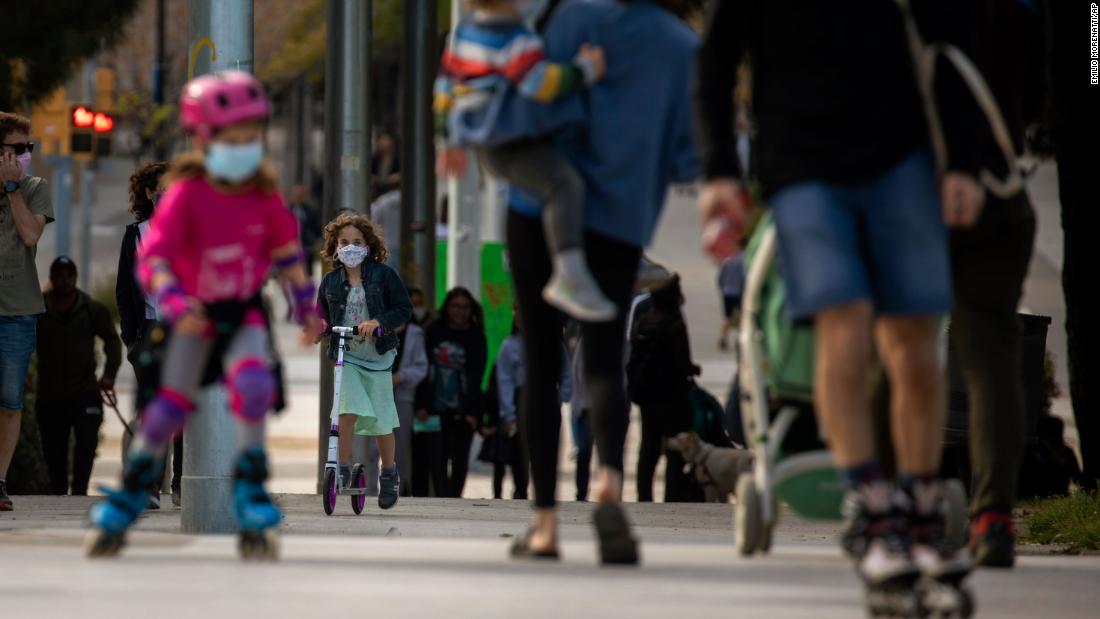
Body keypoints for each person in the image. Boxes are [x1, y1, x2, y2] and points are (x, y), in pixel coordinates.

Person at [695, 0, 982, 611]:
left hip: (900, 160)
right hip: (803, 168)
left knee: (913, 338)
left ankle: (921, 504)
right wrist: (720, 169)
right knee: (843, 324)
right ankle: (873, 509)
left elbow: (951, 39)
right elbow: (716, 60)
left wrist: (962, 158)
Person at [87, 71, 321, 558]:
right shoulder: (186, 196)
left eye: (250, 137)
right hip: (191, 313)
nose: (243, 147)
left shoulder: (264, 194)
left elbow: (289, 256)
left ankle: (251, 488)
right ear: (201, 138)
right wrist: (172, 300)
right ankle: (133, 490)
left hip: (242, 311)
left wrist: (306, 307)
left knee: (253, 385)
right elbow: (154, 262)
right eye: (231, 138)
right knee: (169, 407)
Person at [501, 0, 698, 563]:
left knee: (541, 362)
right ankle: (609, 480)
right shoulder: (681, 44)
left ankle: (544, 525)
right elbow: (688, 160)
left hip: (538, 207)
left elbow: (525, 104)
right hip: (620, 215)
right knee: (605, 358)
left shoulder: (562, 19)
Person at [435, 0, 617, 322]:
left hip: (484, 143)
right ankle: (570, 272)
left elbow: (446, 88)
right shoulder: (515, 38)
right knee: (565, 183)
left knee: (552, 188)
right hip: (510, 143)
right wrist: (585, 69)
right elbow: (540, 83)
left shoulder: (465, 33)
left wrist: (450, 140)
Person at [316, 212, 412, 509]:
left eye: (357, 242)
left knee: (383, 420)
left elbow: (403, 309)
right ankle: (341, 467)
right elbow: (321, 315)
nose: (351, 247)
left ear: (368, 245)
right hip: (348, 356)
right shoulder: (331, 282)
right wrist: (318, 326)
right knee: (344, 411)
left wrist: (378, 321)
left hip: (379, 357)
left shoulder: (384, 276)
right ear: (335, 247)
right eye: (344, 242)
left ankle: (389, 472)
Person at [116, 160, 183, 509]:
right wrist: (131, 339)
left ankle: (183, 484)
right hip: (149, 331)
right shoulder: (136, 235)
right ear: (149, 193)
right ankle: (151, 486)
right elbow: (124, 292)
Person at [0, 111, 53, 511]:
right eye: (17, 148)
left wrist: (12, 187)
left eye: (28, 148)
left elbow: (31, 234)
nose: (25, 154)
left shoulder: (34, 187)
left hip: (18, 313)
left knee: (10, 403)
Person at [35, 257, 122, 495]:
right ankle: (58, 493)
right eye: (59, 276)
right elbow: (23, 345)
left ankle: (80, 491)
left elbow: (113, 342)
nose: (64, 281)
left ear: (75, 277)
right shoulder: (39, 310)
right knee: (53, 450)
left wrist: (109, 377)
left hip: (85, 392)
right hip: (49, 393)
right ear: (52, 279)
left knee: (86, 445)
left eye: (69, 275)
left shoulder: (92, 309)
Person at [626, 275, 701, 502]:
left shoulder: (643, 323)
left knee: (648, 446)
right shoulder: (675, 325)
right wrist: (693, 370)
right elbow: (683, 362)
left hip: (648, 396)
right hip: (672, 396)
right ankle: (672, 494)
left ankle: (644, 495)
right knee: (674, 448)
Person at [489, 315, 572, 500]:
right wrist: (509, 412)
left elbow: (566, 373)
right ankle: (521, 490)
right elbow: (505, 380)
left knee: (547, 448)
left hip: (548, 396)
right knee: (520, 450)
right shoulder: (509, 345)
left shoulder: (554, 344)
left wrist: (561, 397)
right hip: (521, 398)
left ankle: (545, 493)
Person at [422, 287, 487, 498]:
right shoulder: (433, 332)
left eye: (465, 307)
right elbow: (424, 371)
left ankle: (453, 500)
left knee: (460, 461)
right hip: (434, 408)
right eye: (455, 306)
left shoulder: (477, 337)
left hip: (464, 410)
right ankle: (442, 500)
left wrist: (474, 413)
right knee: (436, 460)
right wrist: (421, 405)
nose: (460, 311)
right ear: (447, 308)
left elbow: (477, 376)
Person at [391, 285, 429, 496]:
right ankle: (369, 489)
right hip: (377, 391)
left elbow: (421, 367)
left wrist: (400, 377)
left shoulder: (416, 332)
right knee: (371, 446)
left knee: (400, 445)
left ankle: (397, 488)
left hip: (403, 394)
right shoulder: (379, 325)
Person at [287, 184, 321, 278]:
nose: (298, 198)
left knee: (307, 273)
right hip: (291, 246)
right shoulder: (287, 211)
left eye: (300, 196)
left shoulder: (310, 211)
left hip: (307, 246)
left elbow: (317, 228)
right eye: (296, 195)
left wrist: (315, 241)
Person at [716, 248, 745, 352]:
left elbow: (720, 278)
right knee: (742, 317)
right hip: (739, 292)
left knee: (727, 317)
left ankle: (723, 338)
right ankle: (740, 340)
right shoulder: (743, 260)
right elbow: (744, 277)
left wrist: (723, 288)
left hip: (727, 292)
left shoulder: (726, 261)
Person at [370, 130, 401, 201]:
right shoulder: (375, 158)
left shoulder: (397, 159)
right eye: (381, 140)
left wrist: (395, 177)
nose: (382, 143)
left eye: (385, 140)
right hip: (377, 190)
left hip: (393, 191)